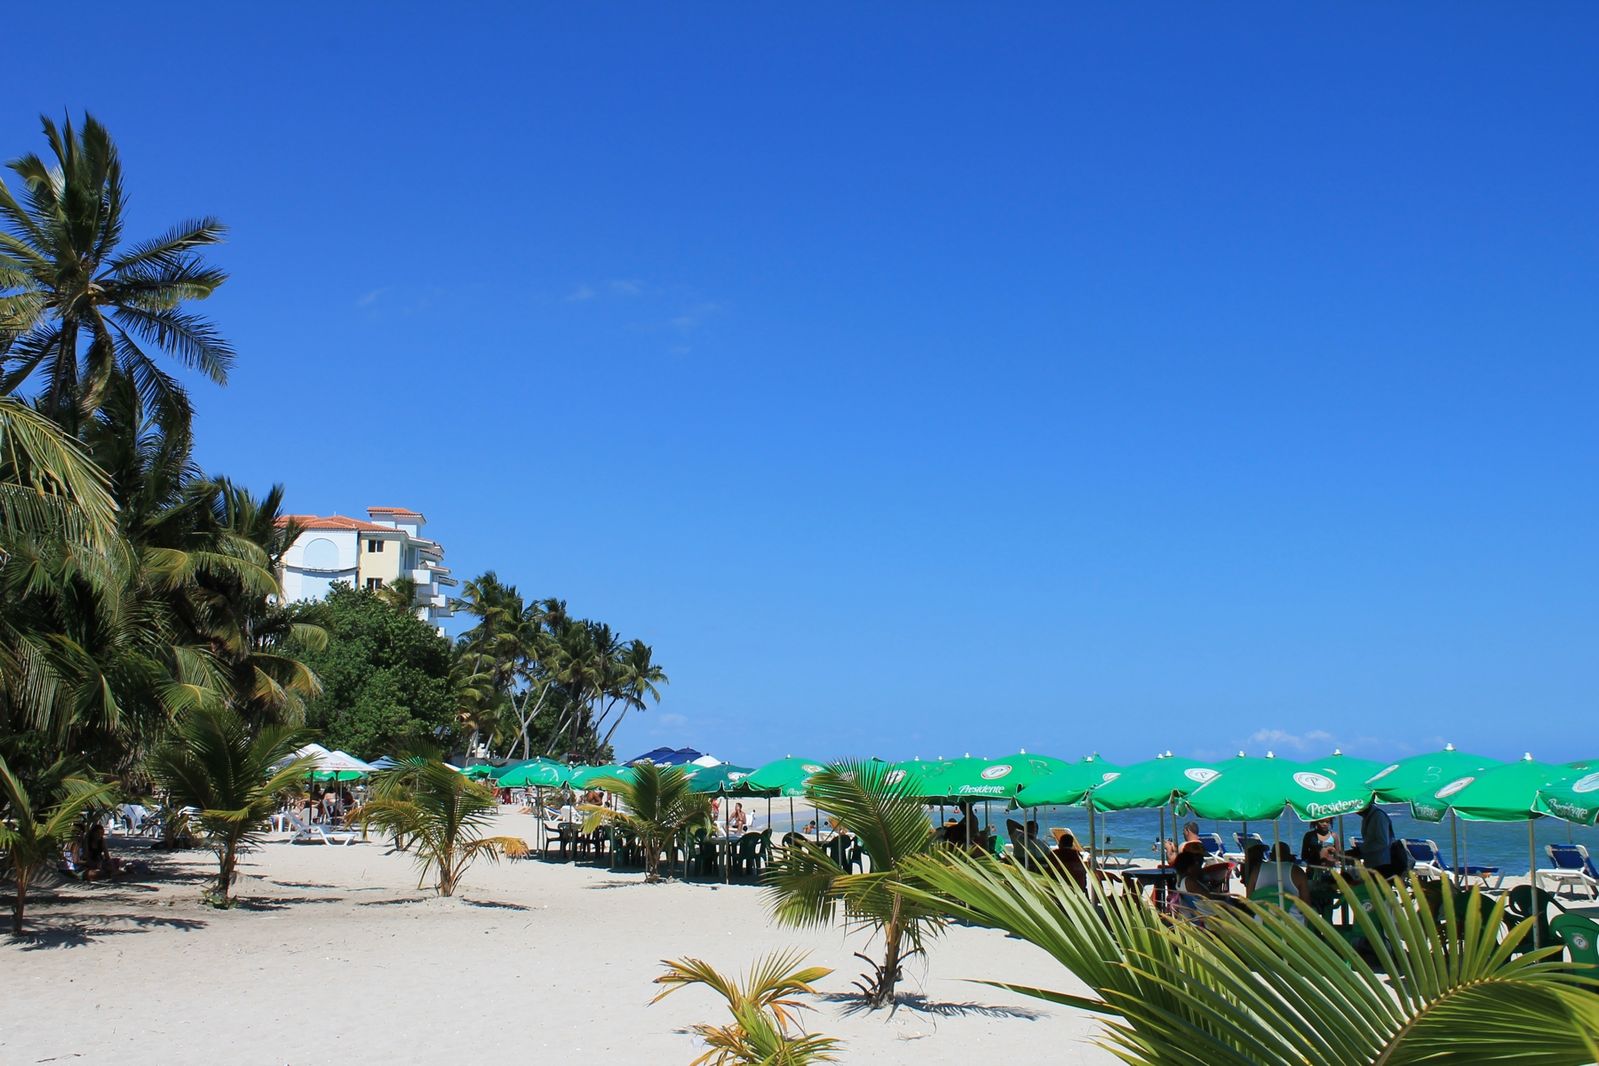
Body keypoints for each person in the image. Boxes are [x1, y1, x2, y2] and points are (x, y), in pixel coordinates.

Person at [1354, 799, 1409, 877]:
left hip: (1383, 863)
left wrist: (1361, 850)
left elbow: (1382, 842)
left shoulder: (1378, 816)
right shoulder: (1366, 817)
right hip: (1372, 862)